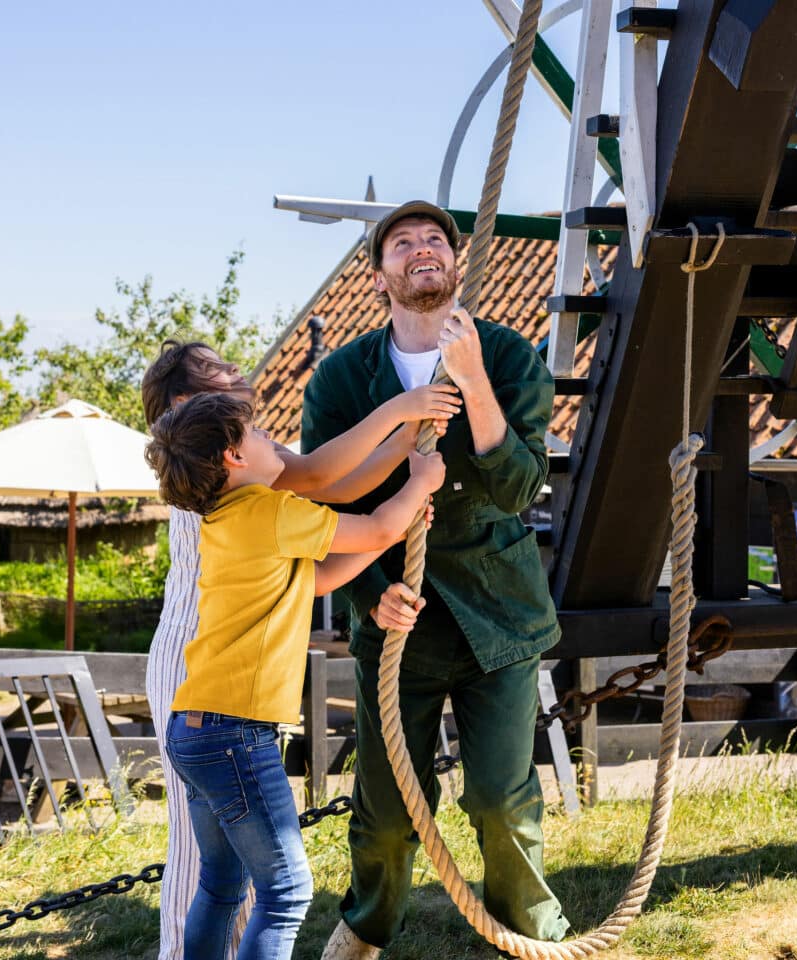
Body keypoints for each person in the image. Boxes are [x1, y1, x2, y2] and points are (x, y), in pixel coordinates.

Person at [300, 200, 571, 959]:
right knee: (387, 811)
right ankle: (367, 927)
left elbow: (520, 489)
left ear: (455, 264)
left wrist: (473, 380)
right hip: (394, 616)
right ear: (378, 273)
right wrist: (366, 591)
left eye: (435, 241)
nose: (422, 250)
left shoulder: (510, 356)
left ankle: (530, 931)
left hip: (499, 615)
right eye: (402, 243)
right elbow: (324, 497)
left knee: (498, 797)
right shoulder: (339, 379)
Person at [140, 339, 460, 960]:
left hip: (200, 709)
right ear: (195, 414)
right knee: (283, 890)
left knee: (222, 879)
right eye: (221, 381)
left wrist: (404, 445)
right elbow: (324, 484)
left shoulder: (226, 496)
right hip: (225, 701)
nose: (241, 384)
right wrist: (415, 476)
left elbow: (308, 573)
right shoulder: (259, 502)